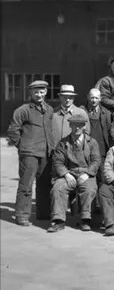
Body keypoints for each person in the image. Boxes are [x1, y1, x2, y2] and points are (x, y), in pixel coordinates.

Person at [7, 80, 55, 225]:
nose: (39, 95)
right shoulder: (23, 110)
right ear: (31, 93)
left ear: (46, 92)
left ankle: (43, 214)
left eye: (41, 92)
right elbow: (13, 130)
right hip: (29, 154)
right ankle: (22, 215)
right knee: (26, 185)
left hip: (46, 153)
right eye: (36, 92)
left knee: (44, 184)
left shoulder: (49, 109)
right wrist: (22, 146)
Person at [47, 114, 101, 233]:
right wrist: (66, 174)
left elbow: (96, 161)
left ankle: (85, 219)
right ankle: (58, 220)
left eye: (80, 125)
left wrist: (87, 174)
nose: (77, 128)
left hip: (86, 173)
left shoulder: (92, 142)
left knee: (89, 189)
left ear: (84, 126)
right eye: (74, 125)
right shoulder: (63, 143)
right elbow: (58, 161)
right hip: (69, 172)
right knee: (58, 188)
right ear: (70, 126)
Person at [81, 88, 112, 190]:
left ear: (100, 99)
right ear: (87, 97)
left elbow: (110, 131)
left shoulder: (106, 113)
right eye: (92, 97)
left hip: (102, 149)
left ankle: (101, 199)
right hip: (86, 149)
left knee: (103, 178)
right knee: (88, 177)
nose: (94, 100)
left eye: (96, 98)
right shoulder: (81, 111)